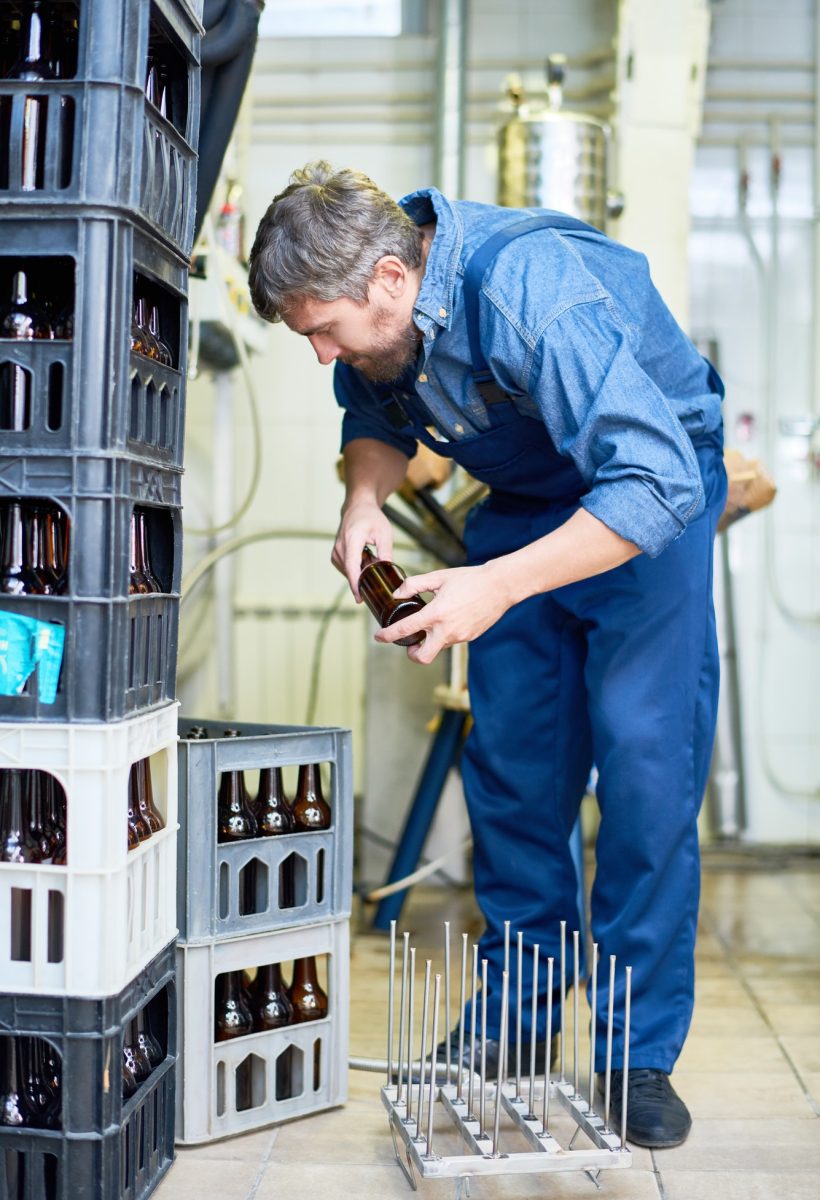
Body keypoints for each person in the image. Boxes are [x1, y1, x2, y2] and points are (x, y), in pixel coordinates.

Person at [248, 162, 727, 1149]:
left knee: (643, 777)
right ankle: (514, 1028)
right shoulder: (384, 325)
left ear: (389, 277)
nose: (321, 351)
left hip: (646, 508)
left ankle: (637, 1054)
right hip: (523, 512)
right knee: (513, 776)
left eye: (322, 328)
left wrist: (498, 584)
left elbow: (652, 479)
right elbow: (373, 415)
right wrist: (362, 502)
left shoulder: (533, 294)